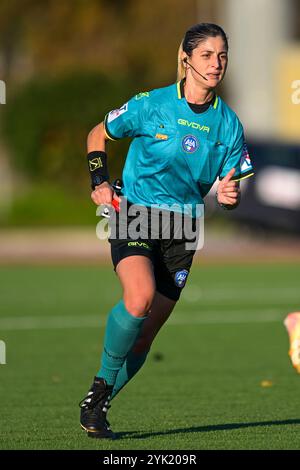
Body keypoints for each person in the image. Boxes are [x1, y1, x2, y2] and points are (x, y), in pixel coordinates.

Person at [79, 23, 254, 439]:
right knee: (137, 299)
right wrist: (99, 181)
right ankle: (100, 389)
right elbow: (97, 134)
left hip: (185, 228)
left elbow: (233, 191)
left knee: (144, 339)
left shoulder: (229, 126)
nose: (216, 63)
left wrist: (231, 196)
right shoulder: (151, 104)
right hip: (137, 212)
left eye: (222, 55)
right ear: (186, 59)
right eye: (208, 55)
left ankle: (100, 404)